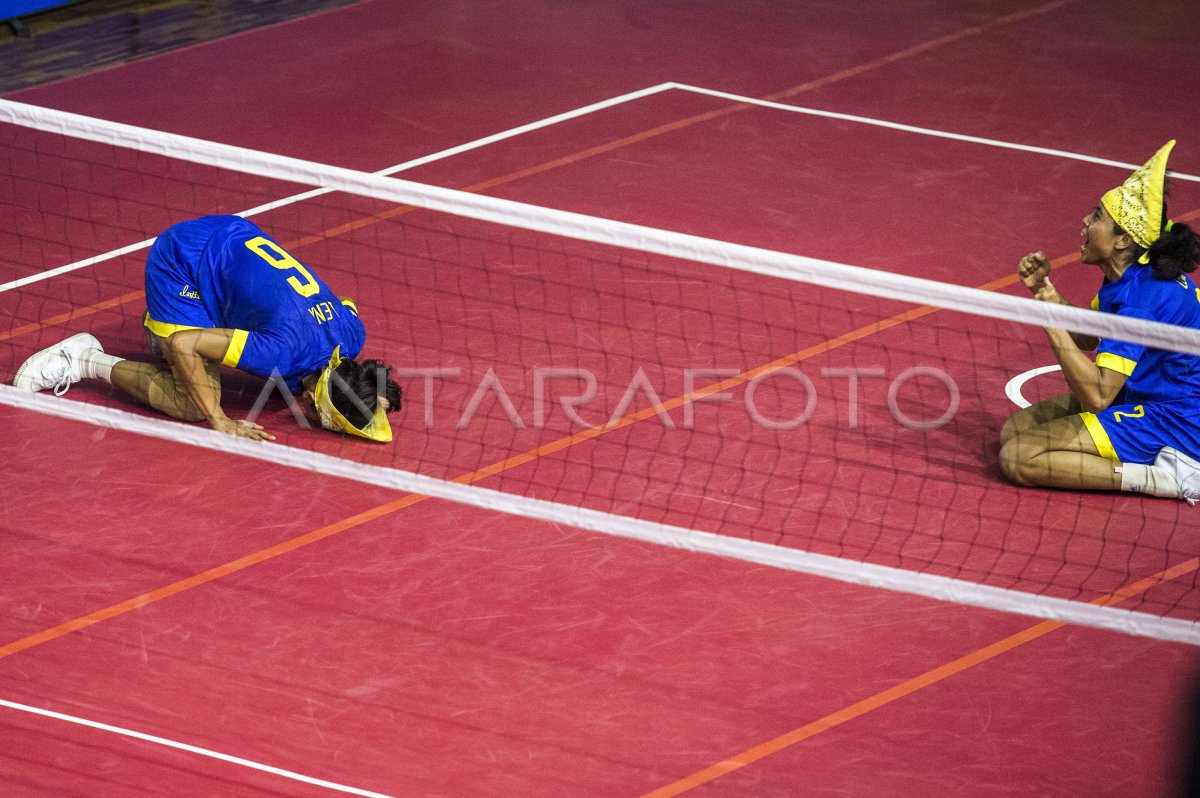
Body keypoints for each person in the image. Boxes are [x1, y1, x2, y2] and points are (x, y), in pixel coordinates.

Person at [13, 215, 401, 442]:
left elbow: (342, 305)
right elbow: (184, 345)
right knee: (190, 400)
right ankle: (84, 358)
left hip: (234, 235)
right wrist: (220, 420)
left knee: (264, 371)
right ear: (319, 402)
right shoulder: (280, 353)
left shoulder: (352, 333)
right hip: (183, 261)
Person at [999, 140, 1200, 503]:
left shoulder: (1143, 302)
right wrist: (1048, 293)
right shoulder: (1129, 277)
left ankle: (1166, 478)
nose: (1085, 222)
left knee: (1018, 456)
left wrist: (1050, 320)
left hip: (1177, 421)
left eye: (1097, 217)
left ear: (1124, 239)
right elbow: (1089, 336)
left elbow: (1096, 395)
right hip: (1145, 395)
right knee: (1015, 430)